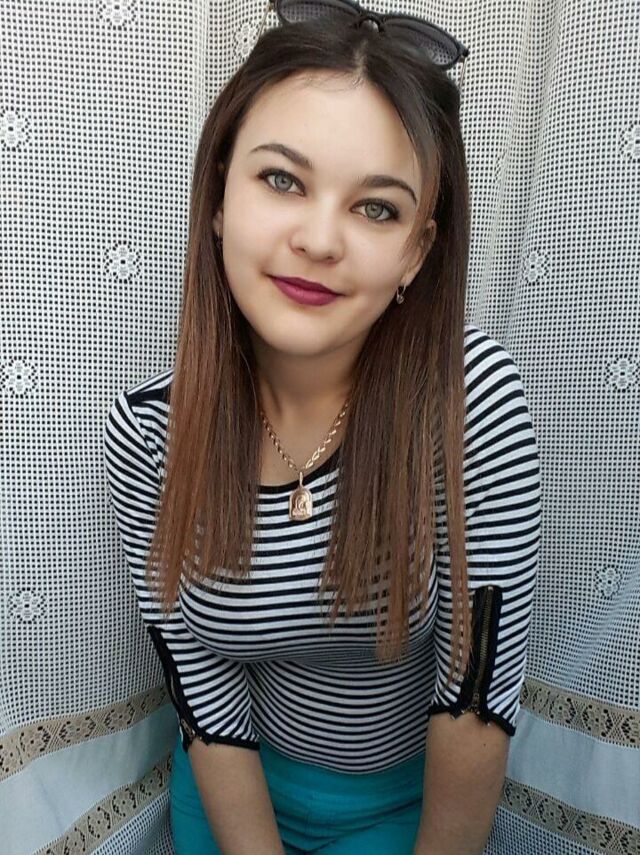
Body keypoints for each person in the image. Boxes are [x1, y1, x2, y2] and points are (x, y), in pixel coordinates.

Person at [103, 3, 542, 853]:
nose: (319, 239)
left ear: (417, 251)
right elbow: (200, 687)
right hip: (231, 795)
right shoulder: (149, 432)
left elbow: (475, 694)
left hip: (406, 812)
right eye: (281, 180)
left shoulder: (468, 396)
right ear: (219, 196)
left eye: (376, 209)